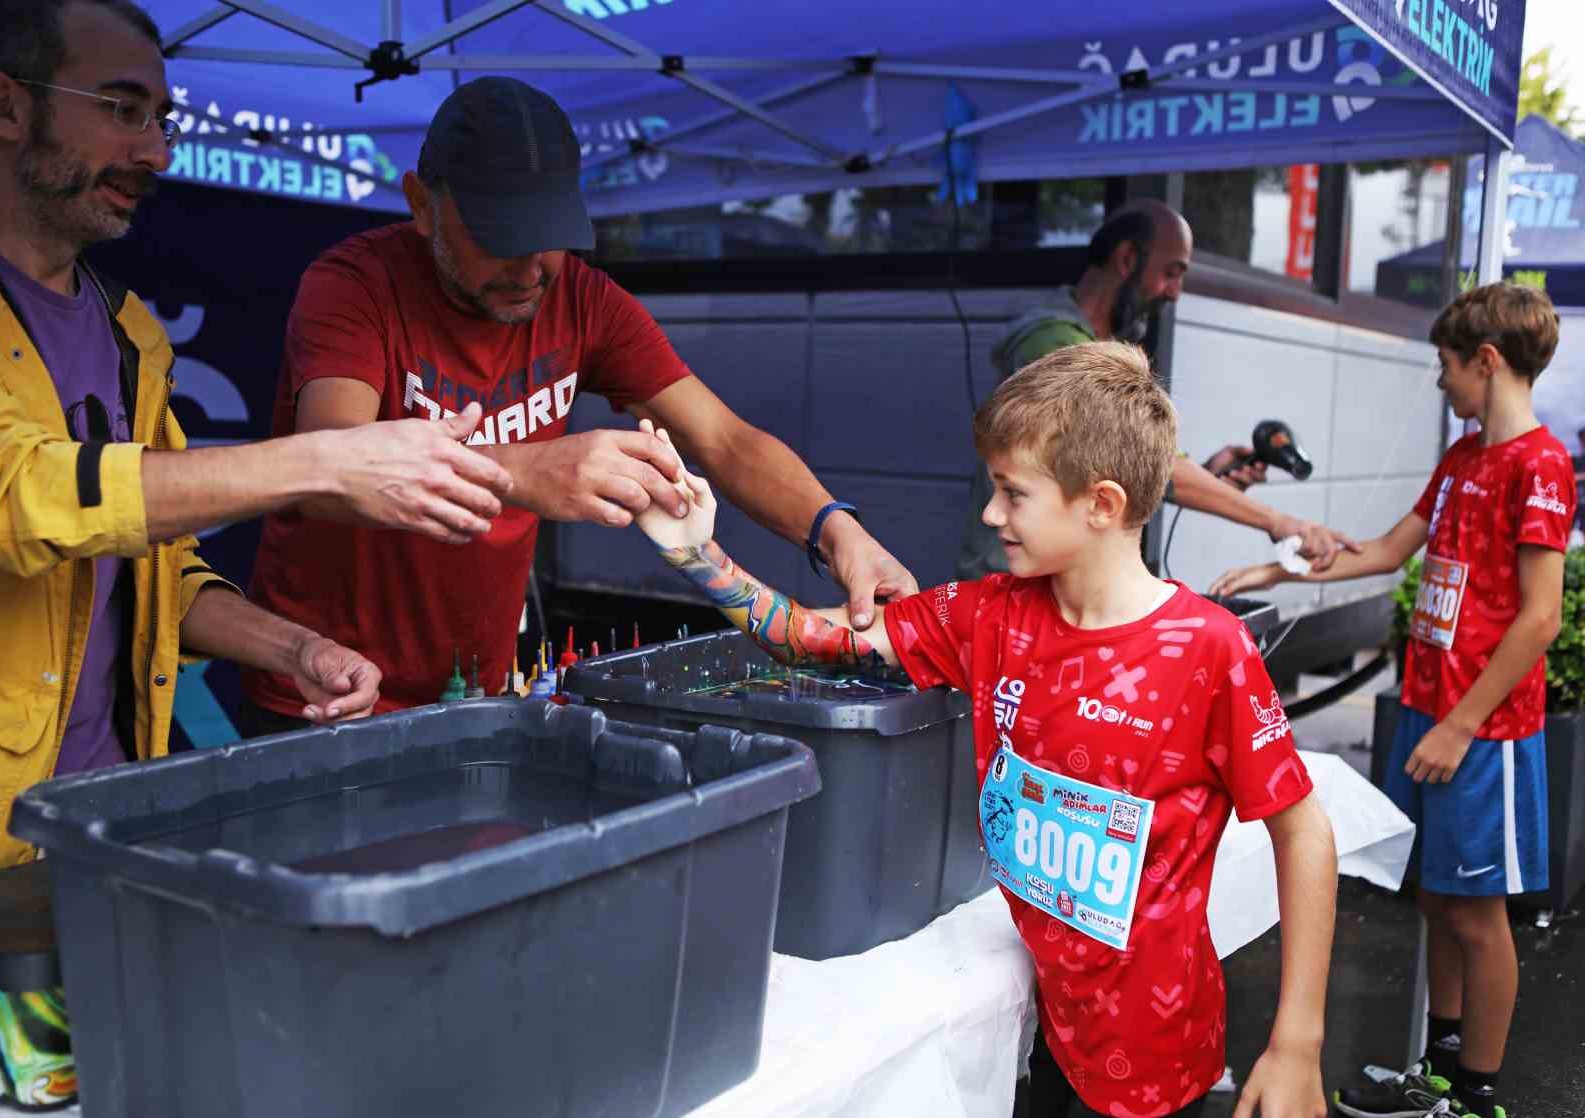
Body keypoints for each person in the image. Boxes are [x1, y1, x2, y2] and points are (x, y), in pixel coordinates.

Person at [0, 0, 513, 1106]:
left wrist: (294, 644)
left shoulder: (129, 332)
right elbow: (23, 495)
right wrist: (320, 463)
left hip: (87, 844)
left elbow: (149, 560)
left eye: (162, 119)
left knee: (83, 1091)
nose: (154, 153)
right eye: (121, 111)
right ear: (2, 105)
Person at [635, 342, 1337, 1118]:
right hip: (1053, 1024)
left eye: (1013, 492)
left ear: (1100, 504)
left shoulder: (1208, 651)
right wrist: (696, 553)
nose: (990, 513)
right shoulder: (989, 615)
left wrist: (1297, 1040)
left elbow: (1302, 831)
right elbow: (813, 636)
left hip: (1156, 1057)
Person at [242, 76, 917, 729]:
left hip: (473, 688)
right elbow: (325, 463)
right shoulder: (352, 287)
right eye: (501, 238)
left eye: (552, 236)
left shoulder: (583, 301)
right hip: (322, 688)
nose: (532, 270)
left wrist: (837, 532)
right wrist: (529, 472)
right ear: (423, 205)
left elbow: (725, 440)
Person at [1211, 284, 1571, 1118]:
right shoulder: (1462, 459)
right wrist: (1279, 569)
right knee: (1438, 899)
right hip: (1430, 713)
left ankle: (1477, 1096)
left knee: (1480, 916)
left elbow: (1541, 614)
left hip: (1479, 732)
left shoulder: (1539, 464)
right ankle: (1437, 1077)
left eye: (1446, 367)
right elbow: (1380, 552)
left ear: (1487, 362)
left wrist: (1460, 723)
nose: (1441, 385)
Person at [957, 200, 1357, 581]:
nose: (1175, 291)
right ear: (1127, 259)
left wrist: (1209, 475)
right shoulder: (1053, 345)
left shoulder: (1092, 344)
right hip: (1007, 595)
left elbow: (1112, 465)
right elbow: (1144, 459)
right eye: (1172, 271)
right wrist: (1279, 522)